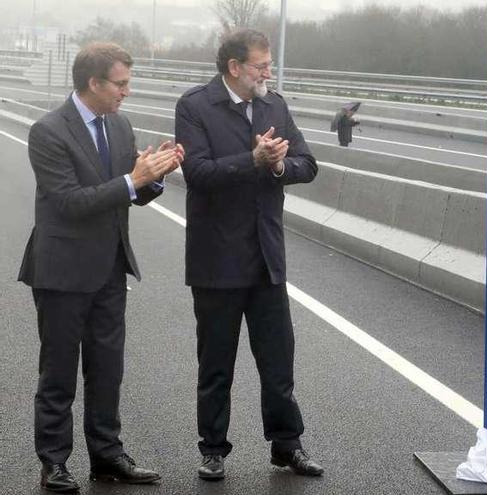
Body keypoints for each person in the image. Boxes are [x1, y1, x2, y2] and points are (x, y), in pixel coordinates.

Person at [18, 42, 182, 492]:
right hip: (62, 271)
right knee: (58, 372)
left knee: (107, 369)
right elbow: (70, 202)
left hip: (110, 267)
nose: (127, 92)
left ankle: (107, 456)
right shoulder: (48, 131)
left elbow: (129, 193)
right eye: (121, 83)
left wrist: (157, 174)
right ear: (94, 83)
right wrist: (134, 179)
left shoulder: (119, 123)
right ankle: (53, 461)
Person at [174, 28, 323, 481]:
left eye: (269, 64)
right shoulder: (195, 106)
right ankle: (213, 449)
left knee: (279, 362)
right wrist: (252, 159)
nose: (268, 72)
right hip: (216, 260)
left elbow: (308, 164)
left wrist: (278, 164)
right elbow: (197, 172)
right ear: (234, 67)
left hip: (266, 258)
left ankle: (287, 444)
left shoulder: (275, 104)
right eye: (261, 65)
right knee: (216, 364)